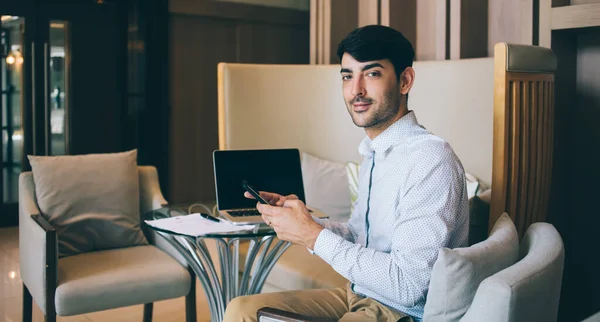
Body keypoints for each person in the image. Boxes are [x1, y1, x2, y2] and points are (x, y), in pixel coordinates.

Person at [223, 25, 469, 322]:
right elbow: (357, 235)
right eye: (347, 76)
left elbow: (409, 286)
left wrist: (313, 237)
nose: (356, 90)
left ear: (405, 80)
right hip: (358, 293)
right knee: (241, 310)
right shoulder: (374, 151)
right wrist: (306, 221)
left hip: (404, 312)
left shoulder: (430, 159)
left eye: (372, 73)